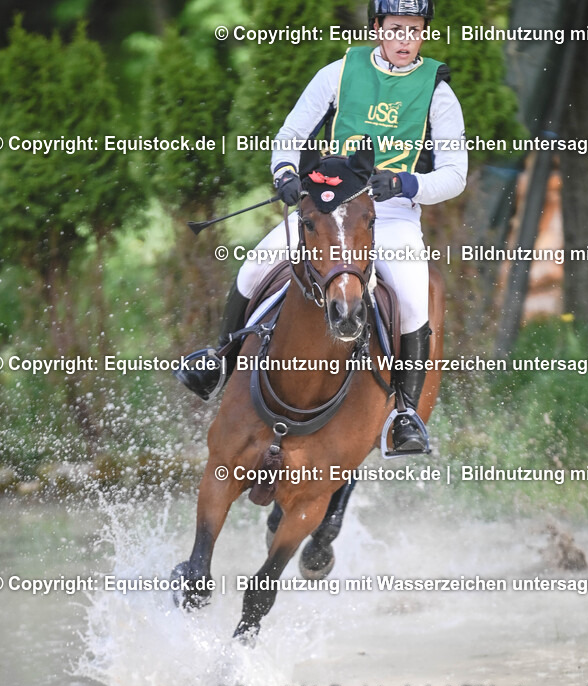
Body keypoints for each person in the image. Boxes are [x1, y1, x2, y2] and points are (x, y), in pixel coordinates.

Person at [177, 0, 467, 453]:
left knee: (413, 301)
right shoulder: (338, 72)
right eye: (396, 28)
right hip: (331, 206)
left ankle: (404, 413)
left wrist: (407, 182)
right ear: (377, 28)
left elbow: (454, 174)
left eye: (414, 30)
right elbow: (291, 135)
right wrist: (286, 174)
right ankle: (219, 361)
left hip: (389, 215)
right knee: (254, 268)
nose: (405, 39)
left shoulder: (438, 92)